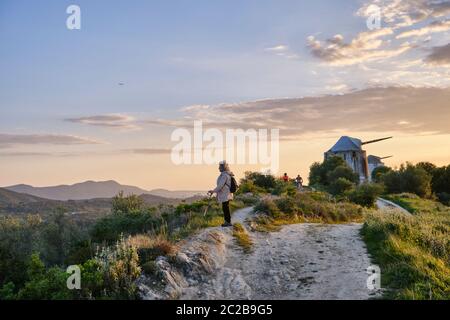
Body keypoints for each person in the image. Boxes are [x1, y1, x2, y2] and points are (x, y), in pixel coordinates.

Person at [208, 160, 234, 227]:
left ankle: (228, 222)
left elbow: (220, 185)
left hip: (225, 194)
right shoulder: (227, 174)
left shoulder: (225, 175)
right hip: (226, 194)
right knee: (225, 208)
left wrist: (213, 191)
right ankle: (227, 221)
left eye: (220, 166)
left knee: (225, 208)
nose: (219, 168)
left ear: (223, 167)